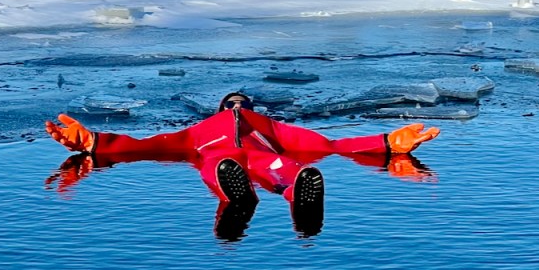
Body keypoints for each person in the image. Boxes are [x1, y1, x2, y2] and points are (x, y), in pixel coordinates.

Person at [45, 91, 439, 238]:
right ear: (220, 107)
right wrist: (95, 142)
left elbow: (331, 144)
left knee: (285, 166)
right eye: (232, 102)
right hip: (217, 154)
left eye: (241, 103)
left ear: (251, 107)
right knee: (218, 166)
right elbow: (148, 146)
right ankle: (238, 194)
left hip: (265, 153)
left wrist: (387, 143)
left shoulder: (268, 126)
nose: (236, 107)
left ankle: (298, 187)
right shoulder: (199, 131)